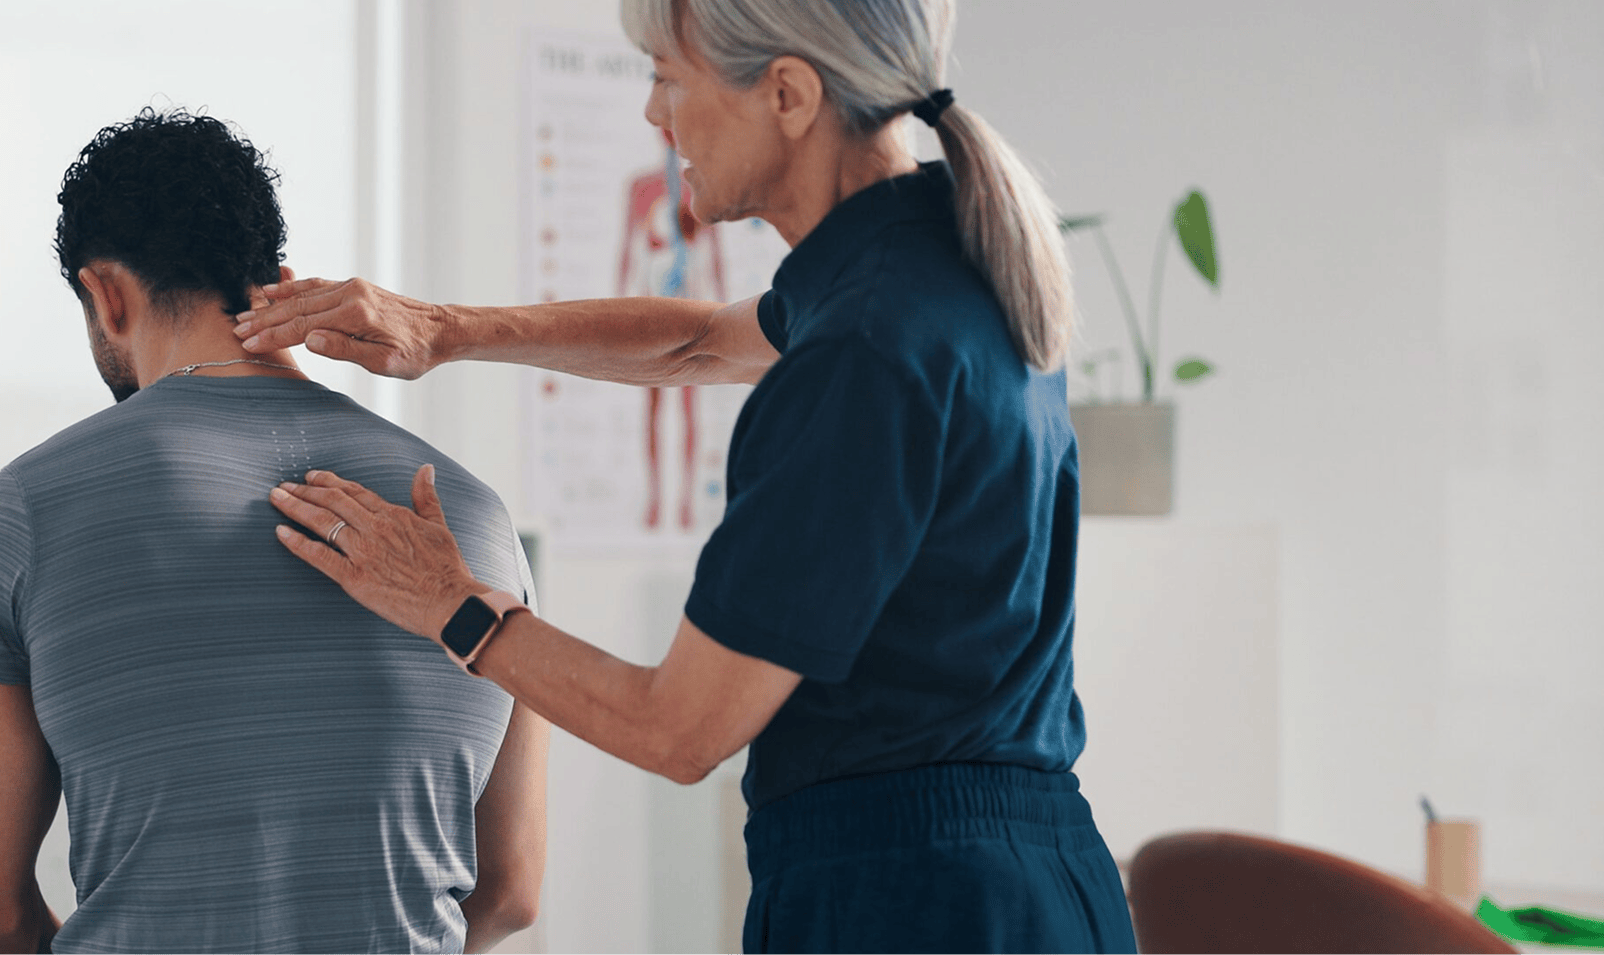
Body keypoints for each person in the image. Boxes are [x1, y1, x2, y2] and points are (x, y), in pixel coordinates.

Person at [235, 0, 1138, 952]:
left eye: (669, 78)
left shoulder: (861, 355)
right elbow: (699, 341)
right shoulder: (941, 258)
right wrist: (446, 330)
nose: (654, 117)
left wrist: (447, 600)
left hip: (916, 900)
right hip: (1032, 882)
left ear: (787, 94)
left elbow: (679, 729)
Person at [0, 108, 547, 955]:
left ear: (105, 292)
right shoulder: (476, 515)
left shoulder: (25, 510)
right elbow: (509, 890)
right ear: (277, 278)